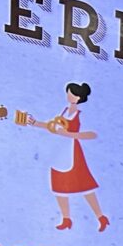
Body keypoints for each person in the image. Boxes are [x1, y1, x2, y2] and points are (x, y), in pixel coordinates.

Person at [44, 82, 107, 232]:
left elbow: (93, 134)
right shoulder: (64, 110)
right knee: (60, 188)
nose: (68, 96)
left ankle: (101, 217)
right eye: (68, 93)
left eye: (71, 93)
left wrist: (70, 135)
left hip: (73, 152)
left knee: (85, 186)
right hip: (59, 152)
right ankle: (66, 219)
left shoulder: (81, 114)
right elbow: (52, 126)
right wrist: (33, 123)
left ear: (78, 97)